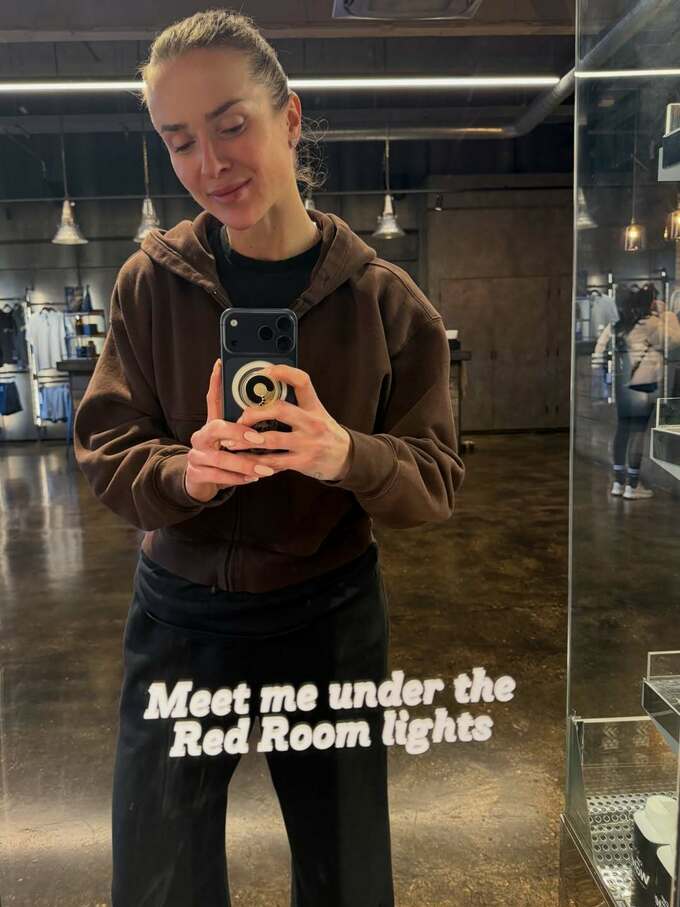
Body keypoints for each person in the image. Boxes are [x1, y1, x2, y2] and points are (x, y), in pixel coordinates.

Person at [73, 8, 465, 907]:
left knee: (345, 872)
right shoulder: (149, 285)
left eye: (230, 124)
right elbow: (106, 446)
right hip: (180, 617)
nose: (209, 163)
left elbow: (435, 478)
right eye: (179, 140)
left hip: (326, 617)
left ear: (289, 117)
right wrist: (184, 472)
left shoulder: (384, 302)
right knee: (160, 878)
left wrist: (346, 454)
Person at [592, 283, 680, 500]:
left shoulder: (618, 325)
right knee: (638, 432)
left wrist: (601, 378)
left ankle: (618, 482)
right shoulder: (650, 323)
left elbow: (600, 349)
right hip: (644, 386)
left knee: (622, 430)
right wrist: (665, 316)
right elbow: (673, 341)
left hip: (622, 386)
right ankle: (632, 484)